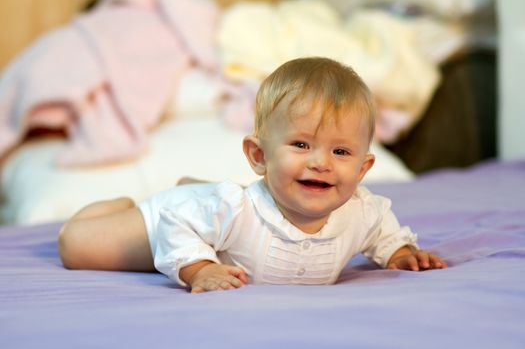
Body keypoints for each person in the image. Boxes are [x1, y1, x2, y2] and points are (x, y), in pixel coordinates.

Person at [58, 57, 447, 293]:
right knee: (77, 247)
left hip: (212, 218)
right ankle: (128, 205)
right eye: (301, 145)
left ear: (363, 169)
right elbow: (175, 226)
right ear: (258, 156)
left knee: (208, 213)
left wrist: (403, 255)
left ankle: (197, 191)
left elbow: (386, 235)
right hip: (177, 220)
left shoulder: (364, 212)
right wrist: (201, 269)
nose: (321, 163)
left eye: (341, 152)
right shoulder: (236, 209)